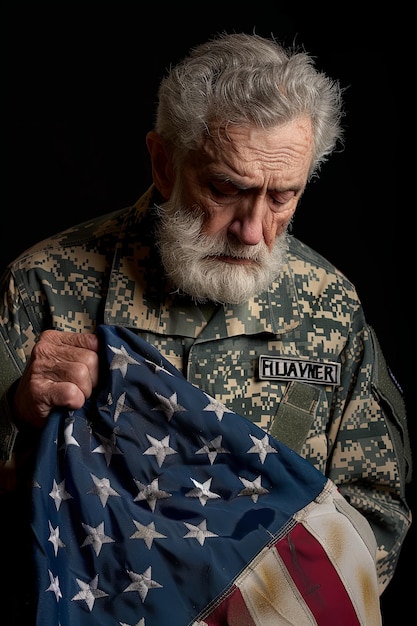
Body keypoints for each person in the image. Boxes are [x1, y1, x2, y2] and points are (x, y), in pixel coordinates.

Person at [0, 31, 411, 608]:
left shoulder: (330, 307)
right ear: (164, 163)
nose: (252, 230)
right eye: (226, 187)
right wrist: (17, 409)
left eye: (282, 197)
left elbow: (375, 508)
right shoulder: (43, 286)